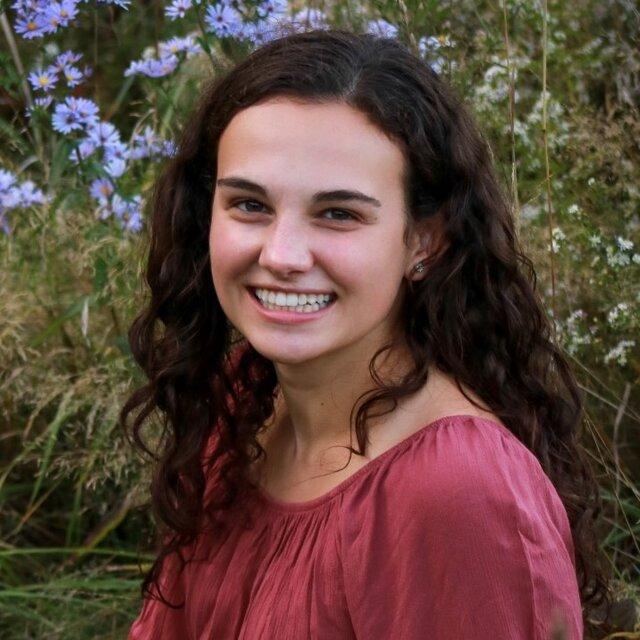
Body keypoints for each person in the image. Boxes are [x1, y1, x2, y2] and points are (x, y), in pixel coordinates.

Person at [122, 27, 611, 639]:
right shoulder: (244, 402)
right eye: (249, 204)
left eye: (339, 214)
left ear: (425, 240)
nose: (282, 254)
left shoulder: (455, 493)